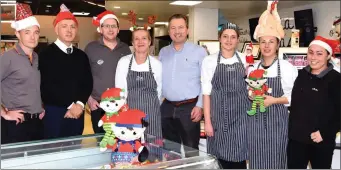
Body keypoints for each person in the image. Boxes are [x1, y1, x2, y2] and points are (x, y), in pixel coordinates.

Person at [247, 1, 298, 168]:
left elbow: (295, 97)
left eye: (271, 41)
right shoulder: (253, 68)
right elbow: (249, 91)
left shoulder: (287, 68)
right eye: (263, 42)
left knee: (277, 162)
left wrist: (273, 100)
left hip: (278, 125)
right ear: (259, 45)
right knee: (256, 162)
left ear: (277, 44)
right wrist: (251, 94)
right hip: (255, 126)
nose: (267, 46)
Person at [39, 4, 93, 139]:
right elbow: (46, 86)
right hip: (54, 113)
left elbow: (87, 82)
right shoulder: (45, 54)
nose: (69, 30)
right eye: (64, 26)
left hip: (78, 113)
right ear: (56, 30)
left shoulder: (81, 55)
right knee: (53, 152)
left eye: (72, 27)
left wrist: (80, 105)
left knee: (73, 151)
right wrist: (70, 105)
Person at [287, 36, 340, 169]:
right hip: (297, 141)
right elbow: (296, 106)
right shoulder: (302, 75)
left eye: (319, 53)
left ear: (328, 56)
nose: (313, 57)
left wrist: (325, 132)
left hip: (321, 141)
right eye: (311, 52)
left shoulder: (335, 79)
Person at [201, 23, 248, 169]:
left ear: (238, 40)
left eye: (233, 37)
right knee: (219, 159)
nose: (229, 40)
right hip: (219, 118)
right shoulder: (209, 61)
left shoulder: (246, 59)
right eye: (225, 36)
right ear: (219, 39)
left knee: (239, 158)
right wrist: (208, 122)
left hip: (241, 118)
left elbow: (252, 88)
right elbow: (206, 93)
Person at [159, 14, 207, 157]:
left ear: (187, 30)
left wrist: (200, 105)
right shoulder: (163, 52)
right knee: (169, 150)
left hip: (190, 108)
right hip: (167, 107)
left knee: (191, 150)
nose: (177, 31)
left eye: (181, 27)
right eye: (173, 28)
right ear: (169, 31)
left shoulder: (199, 52)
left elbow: (206, 80)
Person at [0, 3, 44, 144]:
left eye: (36, 32)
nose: (32, 37)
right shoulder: (8, 57)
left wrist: (40, 107)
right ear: (17, 34)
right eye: (27, 32)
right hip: (16, 124)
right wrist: (4, 113)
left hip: (37, 122)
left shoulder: (37, 57)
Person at [85, 11, 131, 134]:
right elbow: (84, 77)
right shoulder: (91, 48)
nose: (110, 29)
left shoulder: (125, 49)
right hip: (98, 105)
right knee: (102, 142)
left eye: (113, 26)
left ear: (118, 29)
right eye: (106, 26)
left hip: (121, 105)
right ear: (100, 29)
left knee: (122, 141)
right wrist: (89, 99)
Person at [115, 28, 162, 138]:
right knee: (131, 148)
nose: (140, 42)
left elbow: (160, 90)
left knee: (152, 148)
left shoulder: (157, 64)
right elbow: (120, 90)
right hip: (129, 112)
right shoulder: (124, 62)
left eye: (144, 38)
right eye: (136, 39)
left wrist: (152, 107)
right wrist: (124, 112)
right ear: (132, 43)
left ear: (150, 42)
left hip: (152, 115)